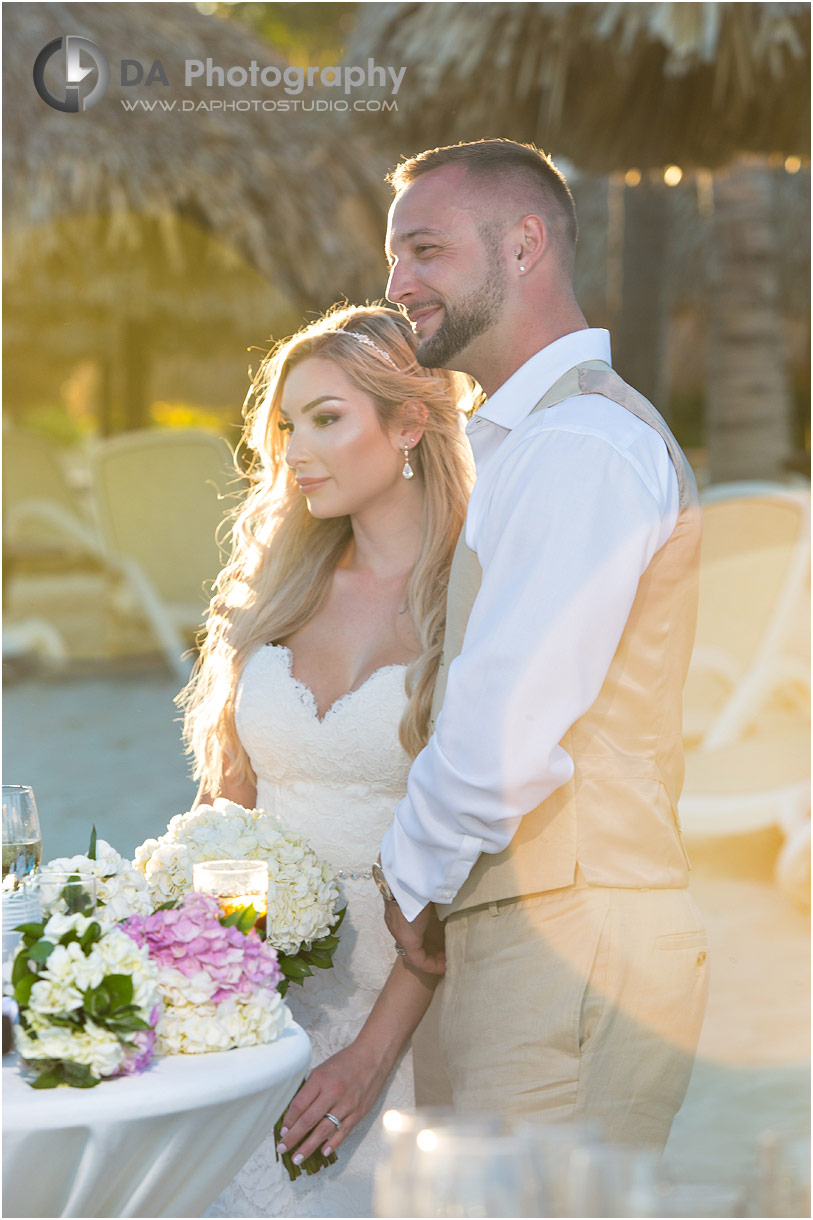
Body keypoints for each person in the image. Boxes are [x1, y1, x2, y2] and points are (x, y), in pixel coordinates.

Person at [376, 138, 710, 1150]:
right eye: (393, 258)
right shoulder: (526, 446)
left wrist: (404, 873)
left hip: (567, 933)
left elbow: (503, 724)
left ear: (524, 245)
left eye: (425, 250)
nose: (397, 286)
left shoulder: (581, 447)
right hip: (535, 928)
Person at [180, 303, 474, 1217]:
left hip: (415, 996)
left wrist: (373, 1051)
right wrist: (219, 988)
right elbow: (227, 811)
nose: (295, 449)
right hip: (264, 996)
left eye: (327, 418)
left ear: (409, 423)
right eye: (286, 424)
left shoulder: (474, 599)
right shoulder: (282, 585)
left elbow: (470, 859)